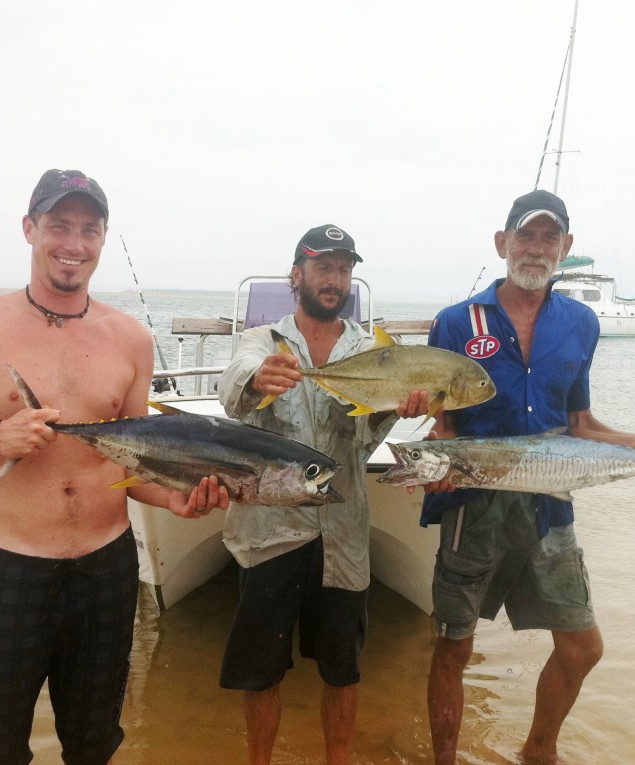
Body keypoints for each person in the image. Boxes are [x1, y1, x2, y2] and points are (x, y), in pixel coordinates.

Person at [0, 168, 229, 765]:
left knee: (95, 743)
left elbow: (135, 462)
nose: (73, 244)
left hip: (106, 570)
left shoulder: (130, 339)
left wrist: (175, 497)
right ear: (29, 229)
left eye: (89, 230)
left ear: (103, 240)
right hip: (12, 569)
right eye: (58, 226)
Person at [420, 190, 635, 765]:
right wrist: (434, 467)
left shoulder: (581, 323)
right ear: (503, 243)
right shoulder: (456, 321)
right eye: (526, 235)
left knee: (581, 646)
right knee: (453, 646)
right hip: (473, 505)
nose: (537, 248)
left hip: (549, 503)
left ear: (566, 249)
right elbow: (442, 428)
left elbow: (579, 424)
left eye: (550, 238)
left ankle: (538, 751)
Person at [217, 224, 429, 765]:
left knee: (343, 671)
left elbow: (362, 440)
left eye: (343, 269)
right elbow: (232, 392)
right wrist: (258, 379)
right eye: (322, 268)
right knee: (261, 674)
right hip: (270, 534)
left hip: (344, 536)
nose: (333, 280)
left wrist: (393, 407)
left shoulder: (372, 351)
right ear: (298, 275)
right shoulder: (264, 342)